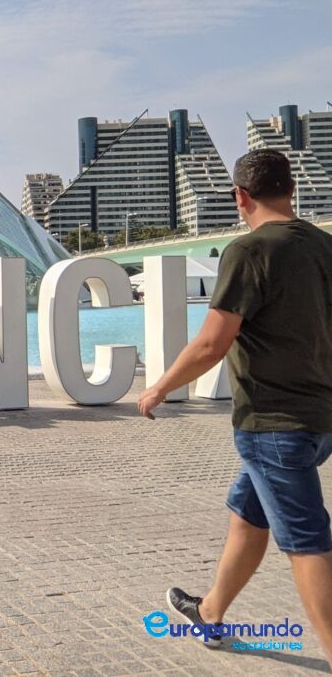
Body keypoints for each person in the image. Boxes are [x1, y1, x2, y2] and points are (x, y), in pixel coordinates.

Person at [137, 149, 332, 664]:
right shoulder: (325, 247)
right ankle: (211, 613)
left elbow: (211, 344)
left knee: (307, 541)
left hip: (274, 424)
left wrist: (158, 388)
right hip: (319, 421)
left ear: (240, 196)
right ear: (291, 190)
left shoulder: (248, 252)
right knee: (248, 514)